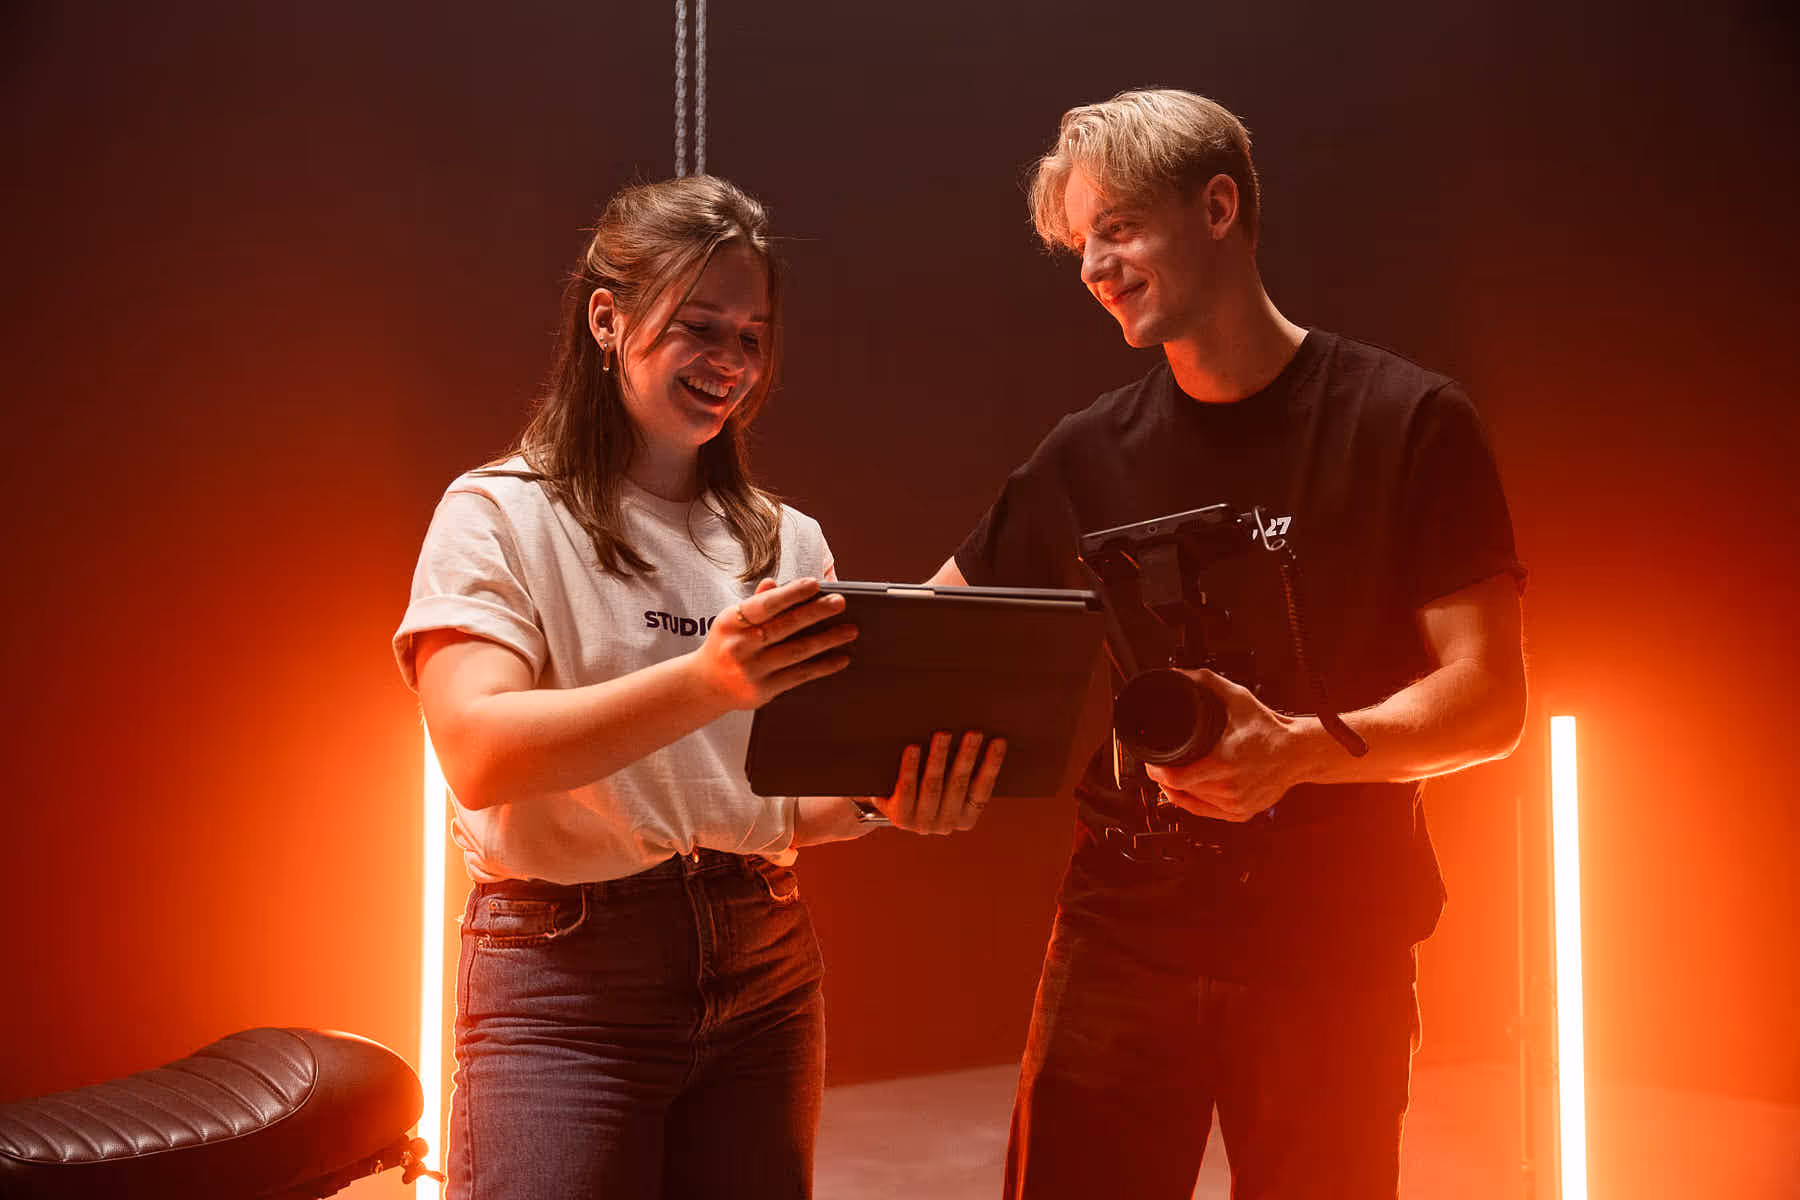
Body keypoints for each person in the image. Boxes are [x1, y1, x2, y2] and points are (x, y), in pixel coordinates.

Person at [928, 90, 1528, 1198]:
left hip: (1332, 952)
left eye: (1115, 229)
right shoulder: (1083, 453)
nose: (1092, 267)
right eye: (1078, 243)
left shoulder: (1407, 421)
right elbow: (933, 629)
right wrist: (797, 631)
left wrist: (1297, 750)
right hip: (1117, 945)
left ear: (1218, 205)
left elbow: (1490, 699)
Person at [393, 175, 1003, 1200]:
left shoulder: (783, 540)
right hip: (565, 977)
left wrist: (878, 799)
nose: (729, 364)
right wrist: (709, 678)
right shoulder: (497, 514)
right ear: (607, 319)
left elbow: (782, 805)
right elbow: (480, 752)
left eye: (752, 337)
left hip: (764, 958)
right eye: (698, 327)